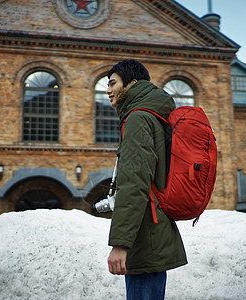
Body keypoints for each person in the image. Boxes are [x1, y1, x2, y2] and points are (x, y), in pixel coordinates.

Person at [106, 59, 187, 300]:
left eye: (112, 83)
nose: (108, 90)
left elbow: (134, 184)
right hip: (154, 226)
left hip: (144, 233)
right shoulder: (154, 115)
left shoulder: (137, 119)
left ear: (131, 83)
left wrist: (120, 244)